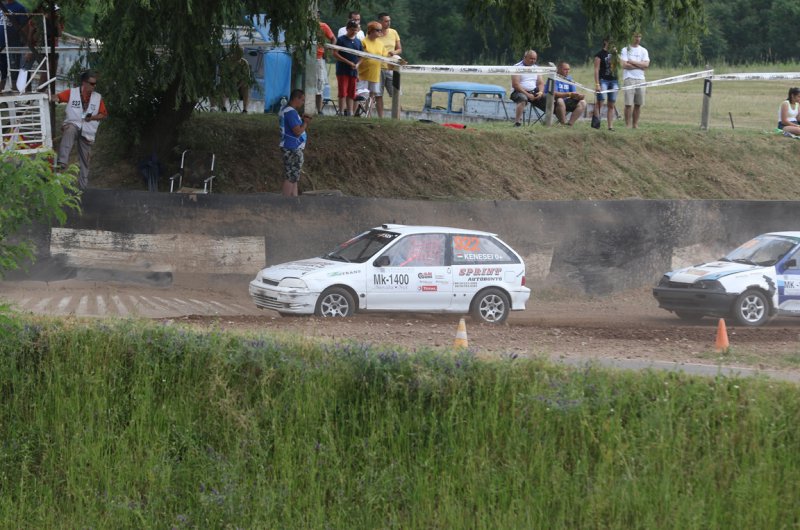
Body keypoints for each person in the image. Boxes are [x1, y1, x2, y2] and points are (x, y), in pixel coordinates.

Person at [53, 70, 108, 190]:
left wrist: (92, 117)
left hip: (88, 131)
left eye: (95, 84)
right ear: (84, 83)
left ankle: (83, 188)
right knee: (70, 130)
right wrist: (50, 97)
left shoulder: (97, 97)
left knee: (85, 160)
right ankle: (62, 163)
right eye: (92, 83)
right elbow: (58, 97)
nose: (94, 86)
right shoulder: (72, 92)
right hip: (74, 124)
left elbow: (103, 114)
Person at [279, 89, 311, 197]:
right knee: (290, 177)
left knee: (294, 176)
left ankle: (294, 199)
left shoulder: (285, 110)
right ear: (296, 98)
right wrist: (305, 123)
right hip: (292, 147)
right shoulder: (290, 112)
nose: (303, 103)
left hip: (290, 146)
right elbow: (297, 131)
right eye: (302, 100)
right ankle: (286, 201)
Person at [539, 61, 585, 126]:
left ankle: (570, 124)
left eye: (568, 69)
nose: (567, 71)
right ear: (559, 69)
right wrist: (569, 94)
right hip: (551, 102)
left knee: (583, 102)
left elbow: (573, 93)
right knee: (560, 100)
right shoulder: (553, 77)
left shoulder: (569, 78)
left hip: (566, 102)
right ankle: (563, 123)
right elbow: (554, 93)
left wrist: (578, 96)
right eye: (565, 69)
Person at [620, 31, 649, 129]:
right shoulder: (625, 49)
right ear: (631, 37)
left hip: (641, 79)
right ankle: (627, 124)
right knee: (628, 104)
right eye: (636, 36)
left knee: (638, 103)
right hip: (629, 78)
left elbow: (646, 65)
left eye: (639, 37)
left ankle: (635, 124)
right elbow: (625, 65)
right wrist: (640, 65)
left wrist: (632, 62)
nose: (638, 39)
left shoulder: (644, 50)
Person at [333, 20, 362, 117]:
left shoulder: (358, 42)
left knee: (351, 92)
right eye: (352, 30)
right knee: (342, 91)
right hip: (342, 70)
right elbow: (335, 54)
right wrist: (348, 62)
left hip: (353, 71)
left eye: (355, 30)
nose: (354, 32)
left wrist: (357, 65)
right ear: (347, 29)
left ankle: (350, 112)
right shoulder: (341, 40)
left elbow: (362, 56)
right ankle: (341, 112)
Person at [358, 21, 386, 118]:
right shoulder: (363, 42)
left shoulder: (380, 44)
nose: (380, 32)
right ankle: (355, 113)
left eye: (381, 30)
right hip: (363, 74)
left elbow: (385, 56)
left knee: (372, 96)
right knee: (360, 95)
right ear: (371, 30)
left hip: (375, 73)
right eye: (378, 30)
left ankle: (368, 115)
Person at [0, 0, 29, 92]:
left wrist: (26, 45)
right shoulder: (1, 6)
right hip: (1, 45)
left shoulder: (19, 8)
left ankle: (15, 94)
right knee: (2, 72)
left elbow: (25, 27)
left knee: (13, 73)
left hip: (13, 46)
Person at [510, 50, 544, 127]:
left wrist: (541, 92)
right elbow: (515, 85)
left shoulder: (536, 68)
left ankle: (550, 122)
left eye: (535, 59)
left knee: (549, 98)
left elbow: (541, 83)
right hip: (518, 91)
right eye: (531, 58)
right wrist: (528, 95)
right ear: (525, 57)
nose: (533, 61)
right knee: (523, 99)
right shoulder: (517, 67)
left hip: (534, 91)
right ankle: (517, 122)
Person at [592, 37, 619, 131]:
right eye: (610, 41)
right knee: (600, 102)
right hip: (603, 80)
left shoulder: (614, 54)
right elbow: (596, 70)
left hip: (614, 80)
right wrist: (597, 84)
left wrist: (616, 54)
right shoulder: (599, 55)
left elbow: (620, 64)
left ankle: (610, 126)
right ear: (605, 42)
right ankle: (596, 124)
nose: (612, 43)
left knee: (611, 104)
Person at [376, 12, 401, 99]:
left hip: (391, 68)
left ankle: (398, 109)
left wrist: (394, 52)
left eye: (389, 21)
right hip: (378, 68)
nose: (389, 23)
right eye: (386, 21)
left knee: (396, 94)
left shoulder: (394, 32)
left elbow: (399, 49)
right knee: (378, 95)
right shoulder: (374, 33)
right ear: (380, 22)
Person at [316, 12, 335, 114]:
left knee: (319, 83)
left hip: (318, 58)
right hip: (305, 58)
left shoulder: (323, 26)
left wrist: (330, 51)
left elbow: (333, 38)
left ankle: (319, 110)